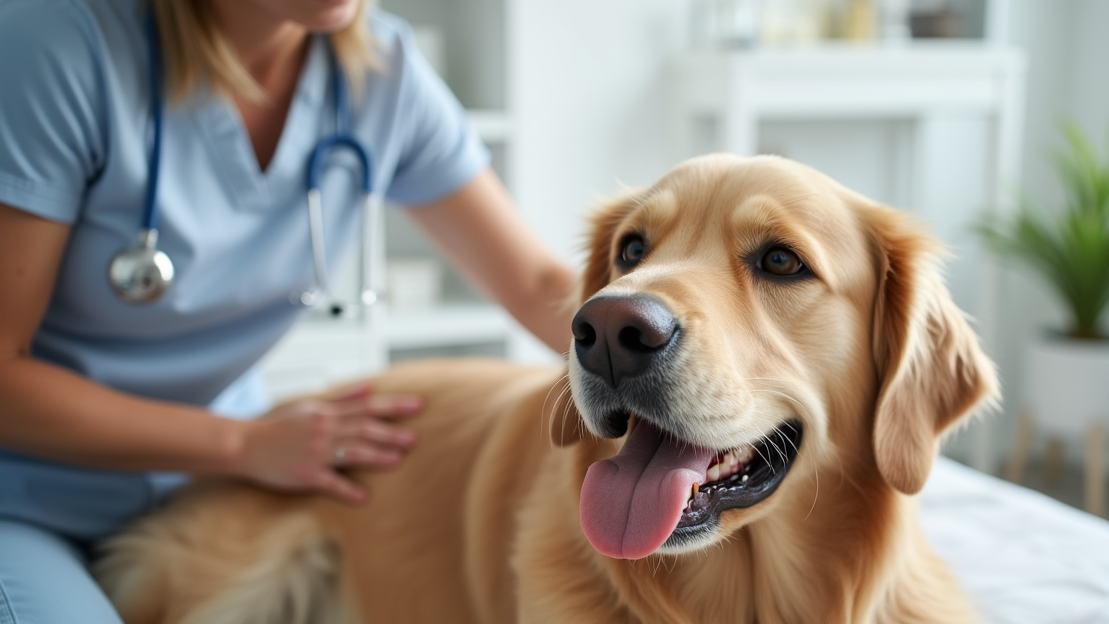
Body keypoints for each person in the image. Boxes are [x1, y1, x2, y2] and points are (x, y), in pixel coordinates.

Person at [0, 0, 577, 621]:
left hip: (216, 489)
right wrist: (242, 443)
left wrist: (657, 367)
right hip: (29, 500)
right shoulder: (54, 41)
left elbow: (535, 280)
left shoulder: (382, 72)